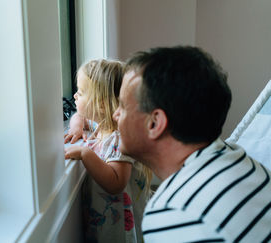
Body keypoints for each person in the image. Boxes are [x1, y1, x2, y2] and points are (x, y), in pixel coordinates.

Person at [112, 46, 271, 242]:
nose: (115, 115)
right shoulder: (242, 162)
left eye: (122, 106)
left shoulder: (175, 212)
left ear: (154, 123)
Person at [64, 59, 152, 243]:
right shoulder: (102, 124)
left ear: (102, 104)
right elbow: (79, 116)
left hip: (120, 228)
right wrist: (76, 128)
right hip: (105, 216)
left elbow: (116, 183)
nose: (74, 96)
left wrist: (84, 153)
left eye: (80, 92)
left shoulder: (119, 138)